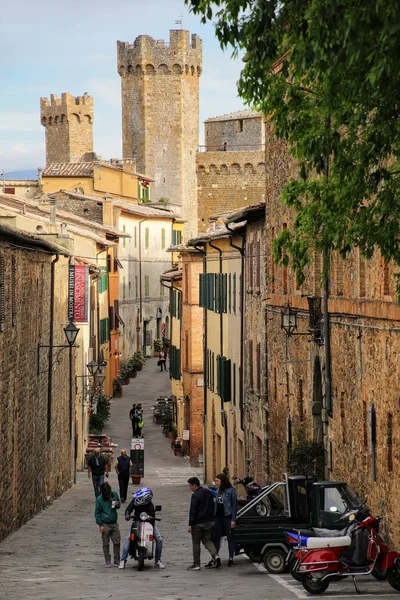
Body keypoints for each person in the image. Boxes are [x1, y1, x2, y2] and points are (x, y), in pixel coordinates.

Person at [119, 487, 165, 569]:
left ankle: (158, 560)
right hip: (136, 522)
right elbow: (128, 509)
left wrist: (150, 523)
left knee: (159, 539)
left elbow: (153, 519)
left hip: (149, 524)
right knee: (128, 539)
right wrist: (127, 514)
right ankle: (123, 560)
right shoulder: (135, 501)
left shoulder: (150, 505)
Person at [187, 476, 221, 571]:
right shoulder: (208, 492)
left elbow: (193, 511)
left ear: (194, 485)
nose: (190, 488)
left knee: (196, 542)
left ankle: (196, 564)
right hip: (209, 522)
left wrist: (190, 524)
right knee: (207, 541)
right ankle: (216, 556)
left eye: (190, 486)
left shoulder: (195, 496)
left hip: (198, 523)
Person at [207, 473, 238, 567]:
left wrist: (233, 519)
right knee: (216, 538)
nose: (216, 483)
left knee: (230, 538)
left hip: (227, 517)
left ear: (222, 481)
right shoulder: (218, 490)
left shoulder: (231, 491)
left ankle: (231, 558)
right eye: (215, 481)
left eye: (217, 481)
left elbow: (234, 506)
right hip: (218, 518)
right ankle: (215, 557)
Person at [95, 482, 121, 567]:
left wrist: (117, 504)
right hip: (105, 523)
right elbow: (97, 513)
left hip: (114, 522)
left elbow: (118, 505)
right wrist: (100, 525)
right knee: (105, 543)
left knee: (117, 542)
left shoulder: (114, 494)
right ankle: (107, 560)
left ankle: (117, 560)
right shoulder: (99, 499)